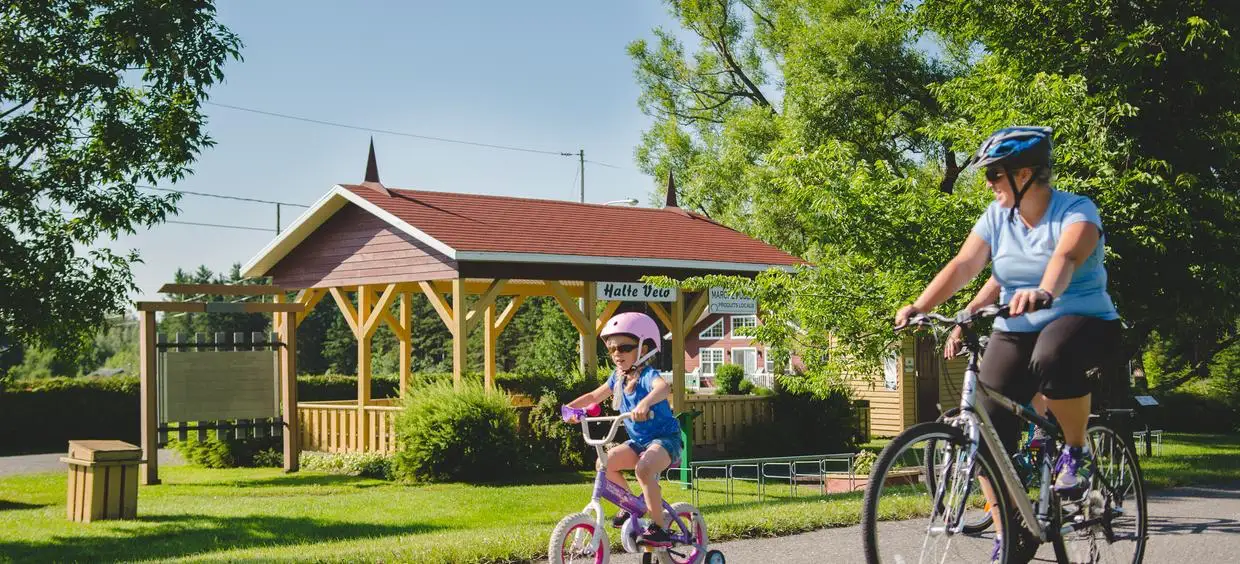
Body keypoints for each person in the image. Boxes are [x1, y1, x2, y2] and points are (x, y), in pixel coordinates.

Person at [894, 126, 1122, 560]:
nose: (988, 183)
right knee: (987, 427)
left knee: (1053, 353)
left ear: (1026, 174)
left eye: (995, 174)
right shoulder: (997, 217)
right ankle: (1011, 534)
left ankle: (1077, 451)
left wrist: (1045, 291)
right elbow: (964, 264)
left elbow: (1066, 257)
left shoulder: (1076, 211)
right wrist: (920, 305)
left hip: (1083, 320)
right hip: (1016, 328)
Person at [565, 311, 682, 548]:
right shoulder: (617, 378)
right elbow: (593, 396)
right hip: (639, 443)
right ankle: (629, 506)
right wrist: (570, 408)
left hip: (665, 440)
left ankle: (659, 528)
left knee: (644, 469)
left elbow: (663, 388)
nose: (617, 354)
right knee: (604, 464)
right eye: (611, 349)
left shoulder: (648, 375)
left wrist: (645, 402)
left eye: (624, 348)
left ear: (644, 347)